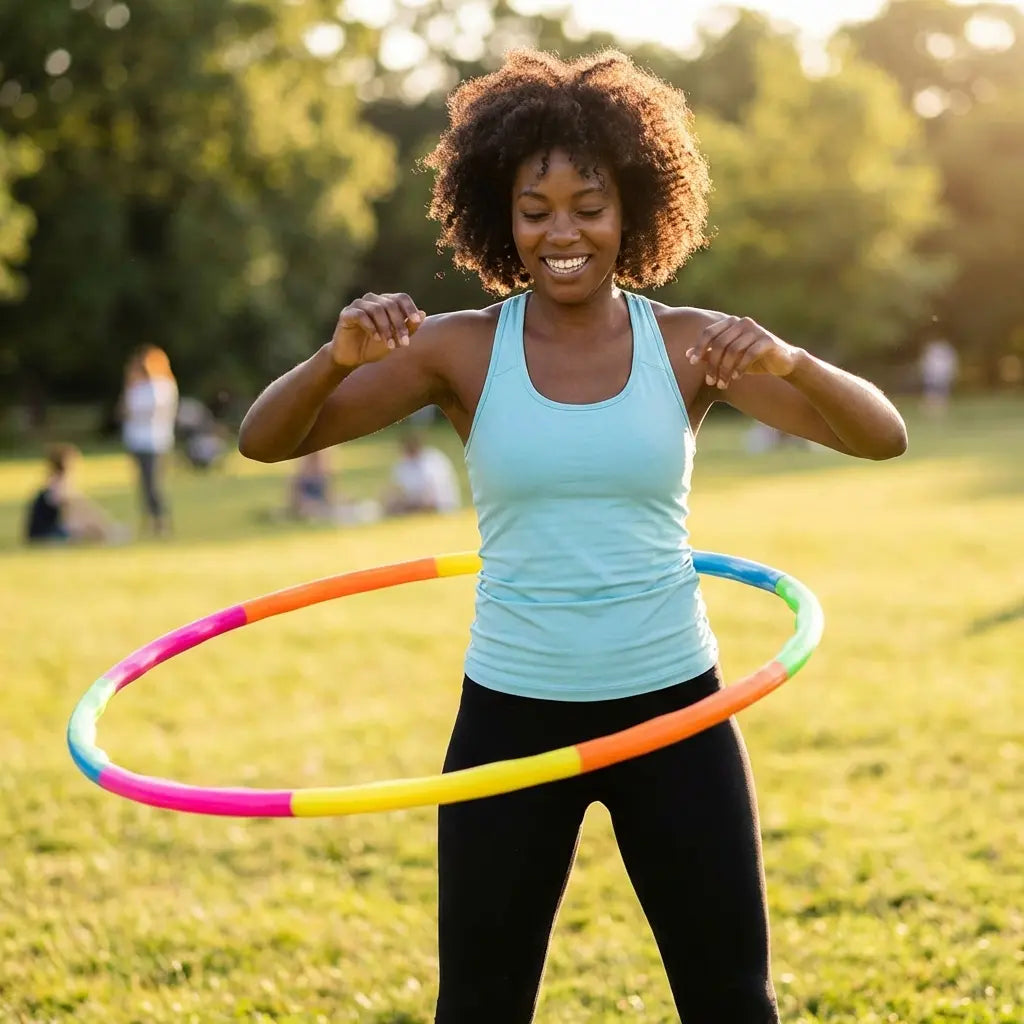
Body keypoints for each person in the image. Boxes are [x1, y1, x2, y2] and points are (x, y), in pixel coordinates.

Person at [238, 50, 908, 1024]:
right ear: (498, 218)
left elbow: (880, 435)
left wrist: (793, 363)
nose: (563, 232)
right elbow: (266, 439)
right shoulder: (461, 349)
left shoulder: (688, 343)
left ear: (632, 208)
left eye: (588, 205)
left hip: (676, 713)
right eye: (534, 207)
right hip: (510, 712)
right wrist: (332, 357)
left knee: (732, 1001)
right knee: (479, 1004)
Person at [120, 345, 178, 536]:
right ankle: (150, 521)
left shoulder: (162, 386)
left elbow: (143, 411)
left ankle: (160, 521)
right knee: (144, 484)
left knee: (152, 484)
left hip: (154, 441)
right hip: (137, 440)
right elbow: (124, 410)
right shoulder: (137, 387)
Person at [23, 444, 127, 545]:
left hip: (44, 531)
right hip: (44, 533)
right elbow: (74, 512)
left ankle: (109, 531)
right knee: (85, 528)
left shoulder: (54, 482)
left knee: (86, 526)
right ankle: (109, 533)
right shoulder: (58, 485)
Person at [382, 430, 461, 515]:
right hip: (416, 506)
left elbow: (434, 497)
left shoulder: (433, 461)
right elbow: (394, 491)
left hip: (440, 508)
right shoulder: (403, 464)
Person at [919, 335, 958, 417]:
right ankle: (932, 411)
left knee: (940, 393)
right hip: (934, 375)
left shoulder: (944, 350)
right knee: (932, 393)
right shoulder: (933, 349)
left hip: (941, 375)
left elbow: (950, 363)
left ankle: (939, 411)